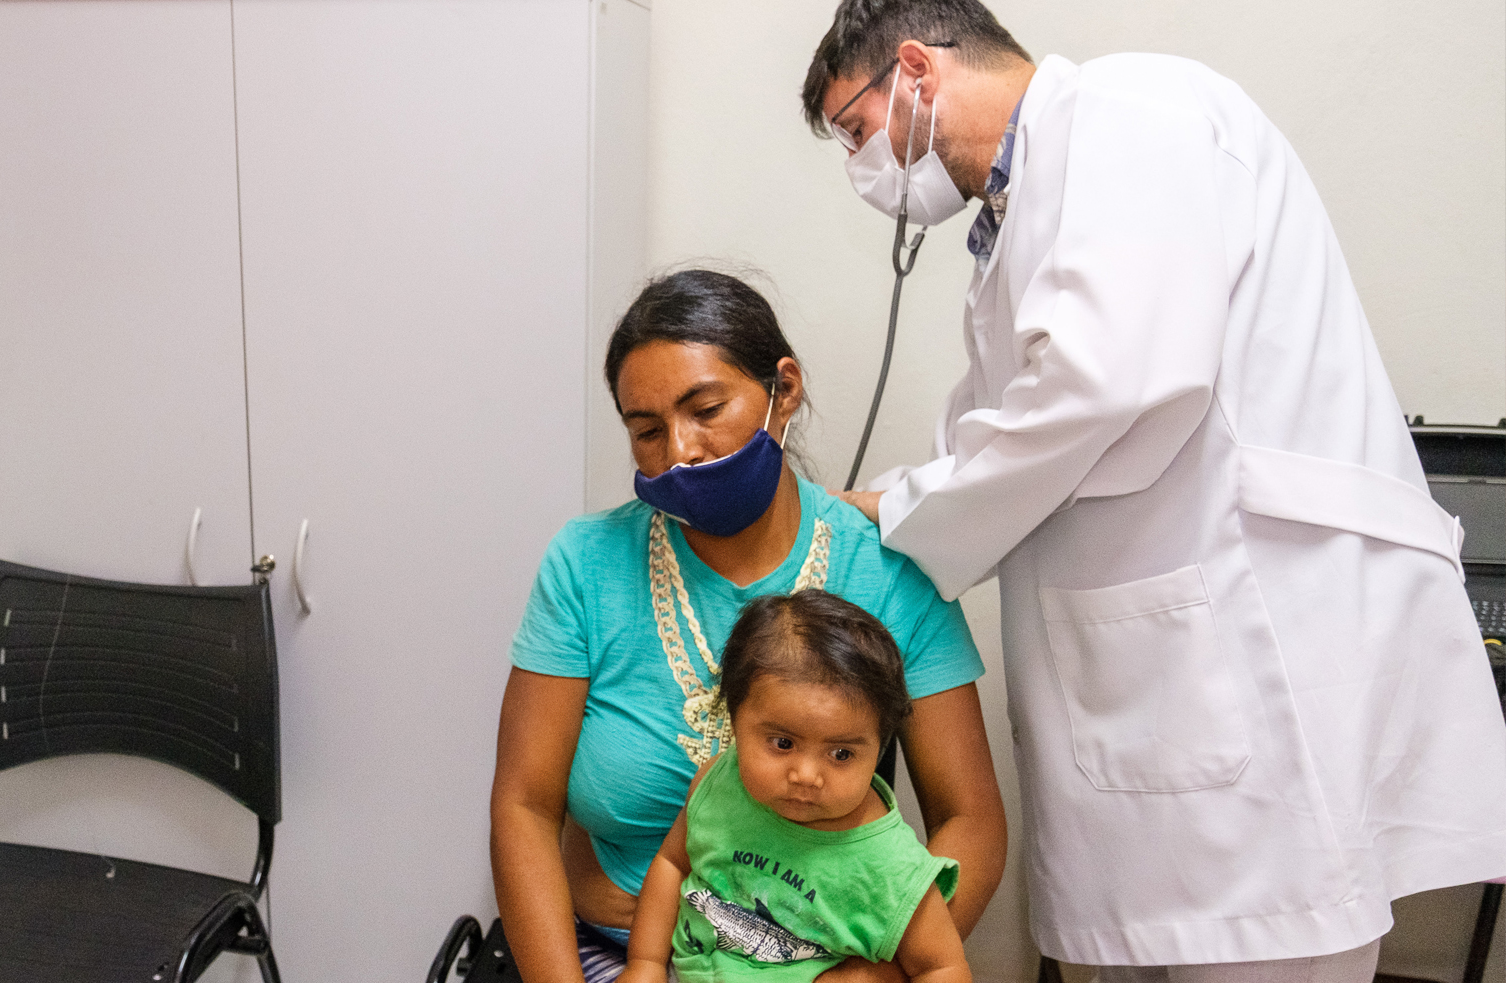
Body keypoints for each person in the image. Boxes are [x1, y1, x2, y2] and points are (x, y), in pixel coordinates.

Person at [798, 0, 1506, 978]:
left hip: (1263, 670)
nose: (860, 170)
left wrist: (909, 505)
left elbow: (1112, 382)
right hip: (1172, 705)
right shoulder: (1015, 221)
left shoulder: (1130, 113)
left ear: (915, 70)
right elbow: (996, 429)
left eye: (855, 131)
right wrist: (905, 496)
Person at [491, 269, 1005, 983]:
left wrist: (875, 976)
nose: (680, 450)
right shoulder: (586, 565)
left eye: (705, 408)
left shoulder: (890, 573)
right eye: (646, 430)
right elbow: (523, 807)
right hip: (609, 955)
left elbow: (971, 818)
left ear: (782, 390)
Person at [621, 590, 970, 983]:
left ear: (879, 746)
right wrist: (645, 964)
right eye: (783, 743)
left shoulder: (891, 867)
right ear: (735, 721)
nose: (806, 774)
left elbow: (942, 967)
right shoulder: (718, 782)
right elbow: (672, 864)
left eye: (840, 754)